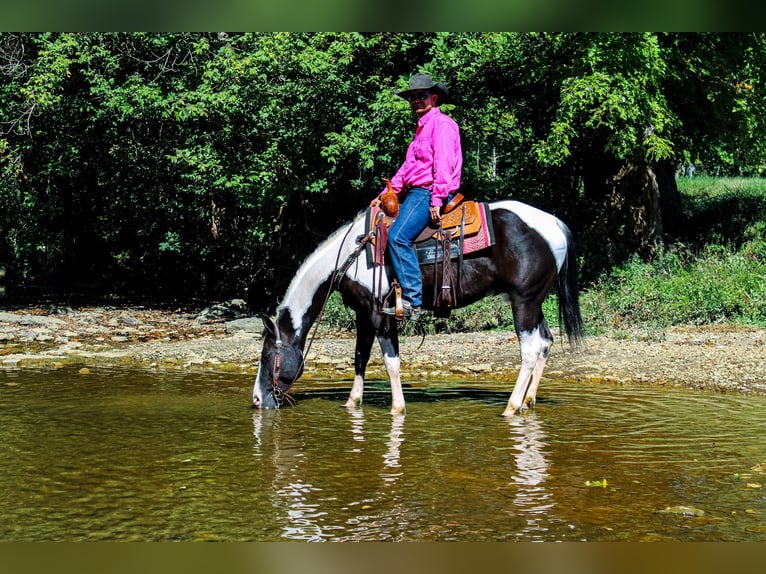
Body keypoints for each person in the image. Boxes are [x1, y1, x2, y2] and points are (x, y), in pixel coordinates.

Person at [370, 73, 463, 318]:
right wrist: (384, 195)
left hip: (429, 190)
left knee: (398, 237)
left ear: (434, 97)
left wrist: (437, 198)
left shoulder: (442, 125)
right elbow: (407, 168)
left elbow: (443, 164)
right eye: (412, 98)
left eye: (422, 96)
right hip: (419, 190)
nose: (416, 101)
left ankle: (412, 300)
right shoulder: (421, 130)